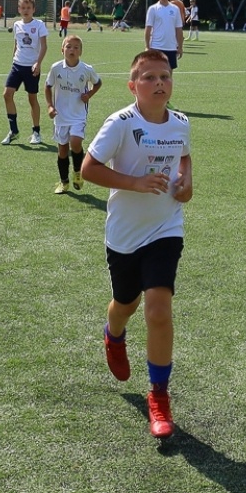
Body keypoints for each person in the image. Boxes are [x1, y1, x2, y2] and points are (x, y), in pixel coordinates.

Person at [81, 49, 193, 440]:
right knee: (125, 303)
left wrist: (186, 183)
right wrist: (135, 183)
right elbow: (89, 169)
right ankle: (113, 334)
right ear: (133, 86)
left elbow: (184, 159)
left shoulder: (181, 123)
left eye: (165, 76)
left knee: (158, 309)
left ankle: (159, 396)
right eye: (149, 77)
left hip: (165, 228)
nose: (159, 82)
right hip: (125, 235)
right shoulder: (121, 123)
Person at [45, 34, 102, 194]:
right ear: (62, 50)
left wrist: (89, 94)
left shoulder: (86, 69)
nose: (72, 50)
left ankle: (78, 171)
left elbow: (98, 83)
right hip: (61, 116)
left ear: (80, 51)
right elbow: (48, 86)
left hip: (78, 115)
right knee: (63, 150)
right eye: (68, 46)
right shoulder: (56, 68)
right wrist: (50, 106)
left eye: (76, 47)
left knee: (75, 142)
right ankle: (64, 182)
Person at [1, 0, 49, 145]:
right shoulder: (17, 25)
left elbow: (44, 46)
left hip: (32, 67)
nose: (25, 10)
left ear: (33, 9)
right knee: (7, 94)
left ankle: (36, 132)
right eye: (23, 8)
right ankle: (13, 131)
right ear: (19, 9)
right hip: (17, 65)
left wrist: (38, 63)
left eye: (28, 7)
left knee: (32, 99)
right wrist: (13, 59)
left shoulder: (39, 24)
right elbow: (16, 44)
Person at [143, 0, 183, 73]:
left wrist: (180, 47)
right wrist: (147, 46)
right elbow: (148, 28)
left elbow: (179, 29)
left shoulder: (175, 9)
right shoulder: (153, 9)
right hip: (156, 47)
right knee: (155, 73)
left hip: (171, 47)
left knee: (168, 74)